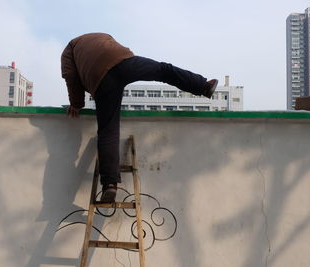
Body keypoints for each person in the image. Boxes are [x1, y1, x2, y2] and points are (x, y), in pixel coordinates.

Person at [61, 33, 218, 203]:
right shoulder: (100, 36)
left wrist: (77, 104)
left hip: (100, 80)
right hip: (123, 61)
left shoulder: (68, 51)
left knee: (108, 129)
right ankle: (203, 86)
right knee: (163, 70)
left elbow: (70, 76)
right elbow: (118, 47)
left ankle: (109, 185)